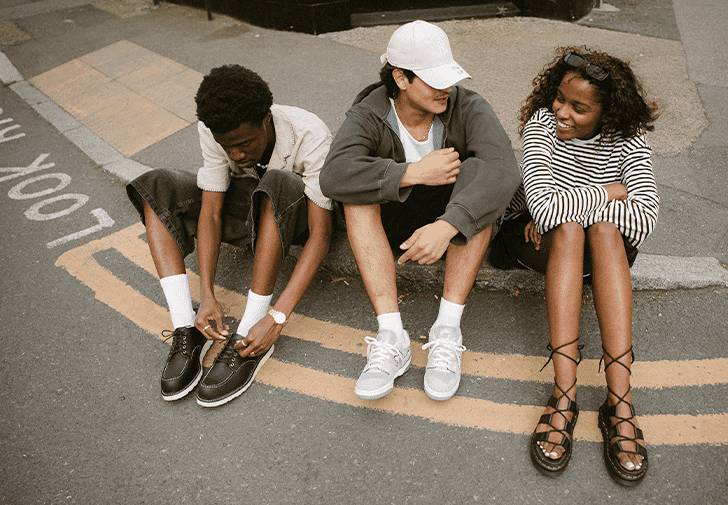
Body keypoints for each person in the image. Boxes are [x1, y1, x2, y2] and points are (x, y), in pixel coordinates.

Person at [319, 20, 520, 402]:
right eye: (433, 80)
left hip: (452, 225)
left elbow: (504, 168)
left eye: (448, 77)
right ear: (401, 78)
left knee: (480, 173)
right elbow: (334, 175)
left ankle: (447, 330)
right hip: (396, 226)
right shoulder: (369, 112)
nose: (446, 88)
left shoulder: (468, 105)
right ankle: (391, 335)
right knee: (354, 196)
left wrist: (448, 224)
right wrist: (411, 172)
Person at [493, 47, 659, 485]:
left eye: (579, 108)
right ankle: (564, 394)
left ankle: (618, 400)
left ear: (608, 113)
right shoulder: (541, 127)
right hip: (538, 241)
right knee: (568, 228)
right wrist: (607, 193)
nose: (561, 111)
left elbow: (645, 216)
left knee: (602, 230)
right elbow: (545, 210)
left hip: (601, 244)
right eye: (560, 98)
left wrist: (576, 207)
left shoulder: (629, 135)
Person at [126, 64, 334, 408]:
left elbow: (321, 236)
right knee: (156, 183)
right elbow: (210, 211)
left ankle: (250, 339)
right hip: (248, 209)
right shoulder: (214, 129)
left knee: (277, 182)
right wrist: (206, 294)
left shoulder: (311, 134)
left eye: (245, 143)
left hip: (292, 217)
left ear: (266, 118)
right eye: (228, 147)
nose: (237, 154)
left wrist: (276, 318)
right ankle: (187, 329)